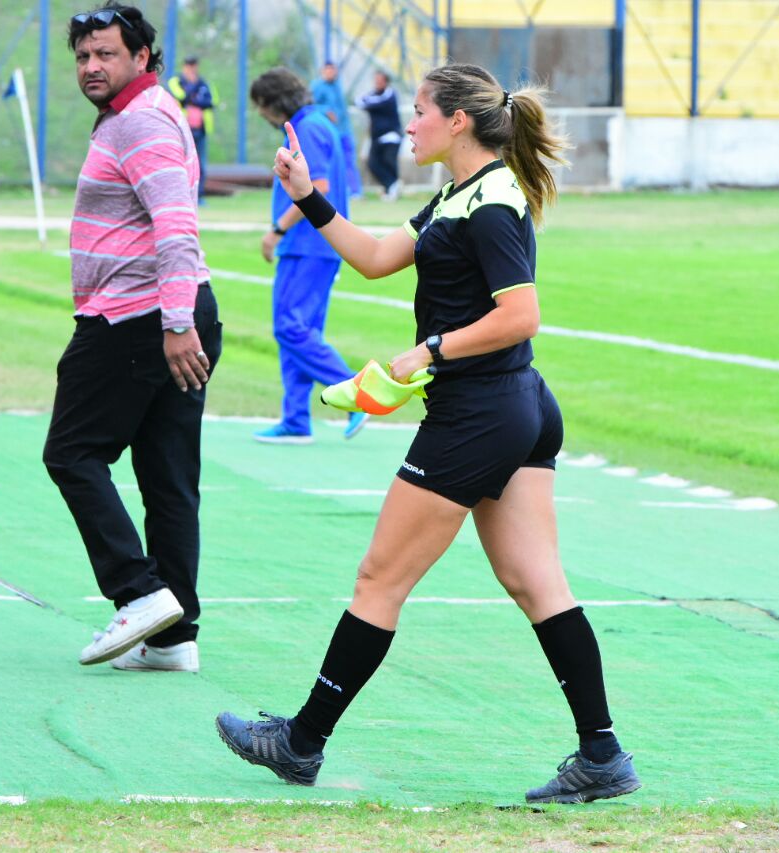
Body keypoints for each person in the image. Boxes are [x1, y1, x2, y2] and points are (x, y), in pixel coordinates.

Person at [216, 63, 641, 804]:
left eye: (416, 111)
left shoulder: (492, 204)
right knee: (535, 582)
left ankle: (301, 741)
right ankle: (602, 754)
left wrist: (430, 351)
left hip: (482, 411)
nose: (406, 124)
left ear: (457, 122)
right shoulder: (460, 194)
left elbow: (521, 315)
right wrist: (308, 197)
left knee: (380, 579)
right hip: (515, 407)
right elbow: (378, 258)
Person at [44, 3, 221, 674]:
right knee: (168, 478)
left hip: (140, 319)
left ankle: (139, 590)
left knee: (72, 453)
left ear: (142, 57)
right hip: (167, 315)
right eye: (84, 56)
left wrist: (176, 324)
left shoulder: (141, 120)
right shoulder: (134, 116)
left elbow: (175, 228)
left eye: (106, 54)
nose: (91, 66)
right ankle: (174, 638)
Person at [250, 67, 367, 444]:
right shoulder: (315, 123)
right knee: (299, 331)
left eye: (262, 106)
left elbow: (315, 188)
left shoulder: (309, 128)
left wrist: (277, 229)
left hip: (308, 245)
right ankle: (296, 418)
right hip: (313, 246)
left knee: (290, 327)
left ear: (274, 102)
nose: (261, 115)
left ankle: (355, 395)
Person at [310, 60, 362, 199]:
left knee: (349, 161)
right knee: (331, 163)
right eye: (328, 70)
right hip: (329, 133)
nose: (331, 72)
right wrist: (325, 110)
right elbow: (310, 106)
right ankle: (331, 191)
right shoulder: (317, 86)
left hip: (344, 131)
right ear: (322, 71)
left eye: (333, 70)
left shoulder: (337, 86)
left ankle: (354, 191)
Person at [168, 55, 217, 203]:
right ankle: (180, 195)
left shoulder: (204, 83)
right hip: (182, 130)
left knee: (200, 164)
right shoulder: (176, 81)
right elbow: (182, 96)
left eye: (194, 65)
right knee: (180, 162)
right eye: (189, 65)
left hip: (200, 130)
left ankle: (199, 196)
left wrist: (194, 97)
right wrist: (195, 93)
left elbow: (211, 101)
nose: (192, 69)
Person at [356, 70, 402, 200]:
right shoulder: (373, 94)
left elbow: (374, 103)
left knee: (389, 161)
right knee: (372, 163)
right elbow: (359, 101)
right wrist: (367, 102)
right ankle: (390, 186)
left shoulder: (390, 94)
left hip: (391, 136)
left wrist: (367, 103)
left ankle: (392, 189)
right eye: (375, 81)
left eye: (380, 81)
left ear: (386, 82)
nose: (377, 83)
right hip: (376, 137)